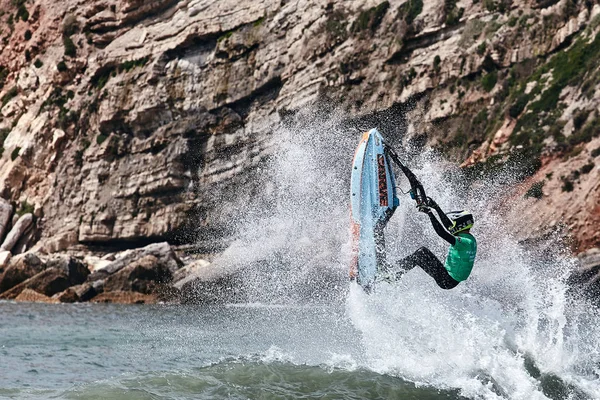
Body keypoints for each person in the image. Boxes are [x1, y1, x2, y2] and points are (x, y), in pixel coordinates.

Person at [389, 197, 477, 289]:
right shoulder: (469, 238)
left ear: (460, 225)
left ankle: (392, 268)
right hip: (449, 278)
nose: (452, 225)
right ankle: (395, 275)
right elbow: (448, 227)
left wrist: (430, 213)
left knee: (421, 253)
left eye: (454, 223)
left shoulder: (466, 242)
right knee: (419, 257)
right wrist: (436, 207)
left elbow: (442, 233)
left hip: (447, 280)